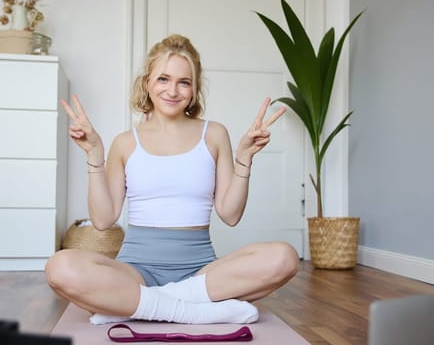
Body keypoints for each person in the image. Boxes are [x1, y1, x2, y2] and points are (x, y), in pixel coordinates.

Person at [45, 34, 299, 325]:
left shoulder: (214, 134)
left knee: (284, 257)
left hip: (201, 272)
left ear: (194, 89)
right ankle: (191, 311)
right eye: (163, 79)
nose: (173, 91)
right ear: (147, 82)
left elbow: (230, 215)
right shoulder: (125, 143)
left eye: (184, 82)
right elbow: (102, 221)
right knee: (59, 267)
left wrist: (245, 158)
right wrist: (93, 153)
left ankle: (140, 305)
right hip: (135, 272)